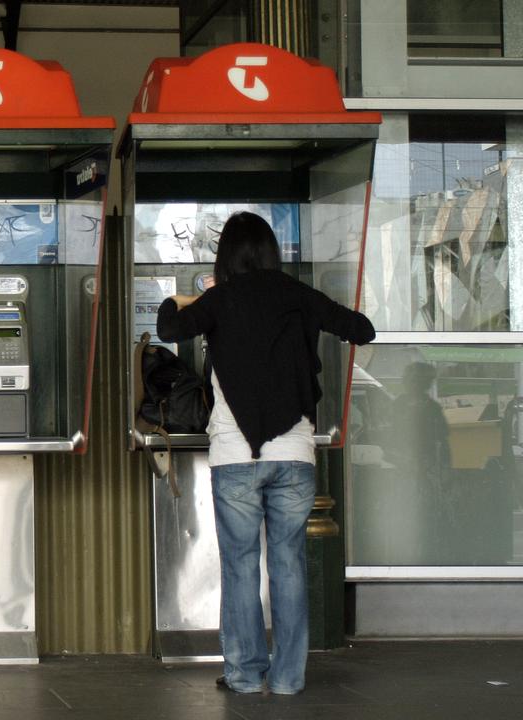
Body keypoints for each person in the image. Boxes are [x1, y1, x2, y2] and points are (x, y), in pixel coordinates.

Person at [156, 211, 375, 695]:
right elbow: (362, 329)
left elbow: (169, 327)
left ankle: (243, 674)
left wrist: (188, 295)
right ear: (272, 253)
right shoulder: (297, 295)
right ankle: (289, 678)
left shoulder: (220, 300)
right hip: (294, 453)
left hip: (235, 456)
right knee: (289, 565)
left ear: (226, 256)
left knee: (240, 566)